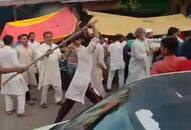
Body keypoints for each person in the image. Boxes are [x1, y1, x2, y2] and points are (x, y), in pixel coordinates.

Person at [55, 24, 103, 123]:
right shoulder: (86, 51)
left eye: (80, 40)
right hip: (83, 82)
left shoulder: (81, 50)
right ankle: (103, 118)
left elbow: (74, 44)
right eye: (78, 40)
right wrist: (93, 26)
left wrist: (80, 29)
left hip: (79, 81)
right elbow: (96, 37)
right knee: (99, 102)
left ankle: (57, 121)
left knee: (68, 103)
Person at [0, 35, 29, 117]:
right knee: (21, 93)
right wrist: (24, 66)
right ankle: (20, 111)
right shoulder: (12, 51)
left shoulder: (0, 51)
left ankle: (9, 109)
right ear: (11, 41)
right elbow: (16, 64)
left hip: (5, 75)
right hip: (14, 75)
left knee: (8, 93)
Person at [37, 31, 63, 108]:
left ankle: (58, 100)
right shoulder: (41, 47)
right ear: (44, 38)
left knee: (58, 86)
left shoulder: (56, 46)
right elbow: (39, 58)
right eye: (47, 37)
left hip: (55, 69)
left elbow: (60, 57)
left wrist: (63, 56)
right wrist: (46, 54)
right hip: (46, 70)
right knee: (45, 87)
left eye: (50, 37)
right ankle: (43, 102)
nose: (49, 38)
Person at [16, 34, 37, 105]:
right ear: (20, 40)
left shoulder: (31, 48)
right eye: (22, 39)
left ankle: (29, 96)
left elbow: (34, 58)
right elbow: (15, 60)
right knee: (25, 84)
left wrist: (36, 67)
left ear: (27, 40)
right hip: (22, 69)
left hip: (30, 68)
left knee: (30, 83)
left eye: (25, 39)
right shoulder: (17, 49)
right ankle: (28, 99)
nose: (23, 40)